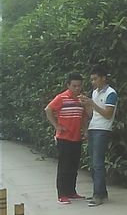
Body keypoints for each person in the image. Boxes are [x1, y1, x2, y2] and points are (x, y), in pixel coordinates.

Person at [45, 73, 89, 205]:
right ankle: (62, 194)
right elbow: (48, 109)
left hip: (76, 137)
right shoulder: (62, 98)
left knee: (73, 166)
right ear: (68, 85)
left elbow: (84, 117)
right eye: (74, 86)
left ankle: (71, 191)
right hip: (64, 138)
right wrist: (56, 125)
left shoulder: (81, 99)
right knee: (64, 166)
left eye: (79, 86)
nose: (77, 88)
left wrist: (85, 130)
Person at [81, 64, 118, 207]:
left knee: (98, 163)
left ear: (103, 78)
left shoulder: (111, 93)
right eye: (91, 79)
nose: (93, 82)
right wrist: (86, 104)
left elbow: (108, 114)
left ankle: (98, 195)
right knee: (93, 163)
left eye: (95, 79)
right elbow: (92, 114)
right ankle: (101, 193)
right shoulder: (95, 92)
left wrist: (93, 103)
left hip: (102, 129)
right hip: (93, 127)